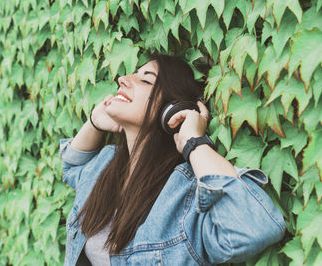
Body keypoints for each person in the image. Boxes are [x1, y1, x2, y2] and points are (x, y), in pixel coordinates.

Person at [59, 53, 285, 266]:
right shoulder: (107, 162)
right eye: (132, 74)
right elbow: (71, 167)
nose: (122, 79)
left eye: (146, 80)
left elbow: (255, 228)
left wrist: (194, 142)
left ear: (171, 108)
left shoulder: (186, 197)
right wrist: (94, 123)